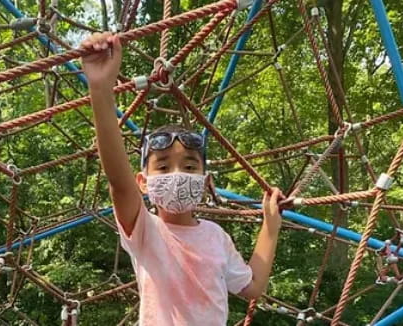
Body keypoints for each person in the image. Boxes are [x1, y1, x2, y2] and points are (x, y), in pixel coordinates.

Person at [81, 32, 282, 326]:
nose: (176, 175)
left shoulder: (216, 237)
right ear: (144, 181)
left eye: (189, 167)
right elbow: (119, 181)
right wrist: (100, 90)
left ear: (206, 181)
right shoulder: (146, 230)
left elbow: (251, 287)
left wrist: (270, 228)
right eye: (162, 168)